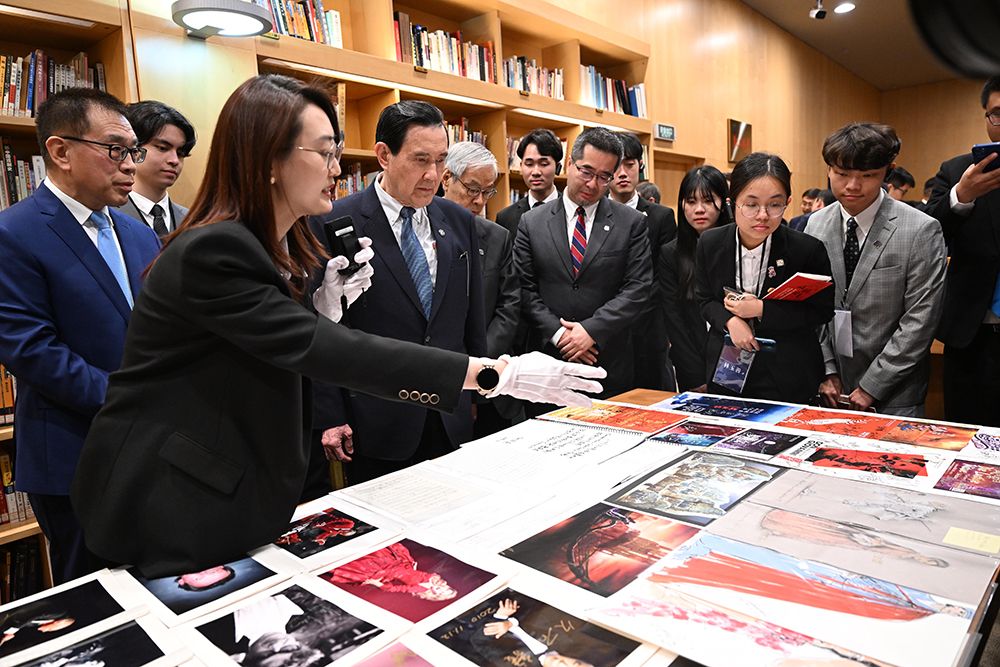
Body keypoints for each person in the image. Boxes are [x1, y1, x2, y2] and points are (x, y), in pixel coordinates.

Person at [69, 74, 604, 578]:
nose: (336, 167)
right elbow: (331, 351)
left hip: (232, 484)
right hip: (172, 494)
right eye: (324, 152)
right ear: (269, 159)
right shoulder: (215, 249)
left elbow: (276, 344)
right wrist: (496, 374)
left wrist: (320, 310)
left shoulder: (271, 244)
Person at [0, 88, 161, 584]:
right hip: (75, 457)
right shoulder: (14, 233)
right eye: (115, 149)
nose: (130, 165)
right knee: (99, 601)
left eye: (134, 151)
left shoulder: (139, 234)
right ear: (60, 151)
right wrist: (131, 401)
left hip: (156, 449)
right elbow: (31, 349)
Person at [309, 102, 488, 485]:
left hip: (449, 410)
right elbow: (319, 326)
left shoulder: (458, 221)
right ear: (383, 155)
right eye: (420, 160)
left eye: (440, 160)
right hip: (375, 419)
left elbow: (471, 316)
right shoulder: (333, 221)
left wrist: (474, 393)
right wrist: (329, 414)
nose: (433, 175)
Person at [807, 122, 946, 416]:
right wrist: (826, 368)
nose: (852, 186)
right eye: (842, 174)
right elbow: (810, 306)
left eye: (867, 176)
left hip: (896, 394)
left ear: (888, 172)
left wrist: (872, 386)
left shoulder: (920, 229)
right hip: (830, 388)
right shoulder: (816, 224)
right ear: (829, 170)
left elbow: (921, 320)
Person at [514, 127, 652, 407]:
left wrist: (590, 332)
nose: (592, 184)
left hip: (608, 361)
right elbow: (524, 288)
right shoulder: (532, 222)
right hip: (548, 363)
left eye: (604, 177)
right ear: (569, 164)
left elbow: (638, 288)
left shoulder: (631, 222)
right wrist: (561, 336)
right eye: (586, 172)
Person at [695, 152, 833, 403]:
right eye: (751, 205)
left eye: (774, 204)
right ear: (732, 203)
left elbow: (821, 311)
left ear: (787, 202)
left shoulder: (807, 249)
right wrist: (730, 321)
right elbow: (704, 299)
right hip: (729, 366)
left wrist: (761, 309)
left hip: (788, 370)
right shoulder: (710, 242)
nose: (762, 215)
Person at [926, 76, 1000, 427]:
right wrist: (962, 196)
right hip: (972, 334)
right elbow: (929, 236)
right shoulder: (957, 171)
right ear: (986, 117)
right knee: (967, 430)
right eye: (997, 114)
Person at [442, 141, 520, 436]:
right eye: (472, 189)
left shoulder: (498, 237)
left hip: (491, 380)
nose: (479, 201)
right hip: (441, 378)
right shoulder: (423, 234)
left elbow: (509, 307)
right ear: (446, 178)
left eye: (488, 192)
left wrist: (478, 366)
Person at [611, 132, 677, 390]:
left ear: (640, 165)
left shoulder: (661, 216)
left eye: (630, 164)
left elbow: (664, 277)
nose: (622, 173)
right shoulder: (595, 215)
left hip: (649, 328)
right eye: (616, 166)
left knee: (653, 394)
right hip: (607, 330)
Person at [660, 165, 730, 391]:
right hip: (692, 366)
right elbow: (674, 320)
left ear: (724, 203)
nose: (699, 209)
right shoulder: (670, 253)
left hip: (736, 362)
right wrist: (696, 376)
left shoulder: (737, 246)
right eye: (691, 201)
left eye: (708, 201)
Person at [115, 100, 196, 235]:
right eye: (162, 148)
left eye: (180, 153)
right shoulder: (107, 215)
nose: (174, 160)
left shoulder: (193, 221)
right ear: (134, 149)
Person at [324, 542, 457, 601]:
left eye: (442, 592)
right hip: (399, 563)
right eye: (446, 588)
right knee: (377, 550)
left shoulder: (420, 589)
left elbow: (394, 589)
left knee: (360, 562)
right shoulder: (434, 579)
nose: (441, 589)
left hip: (388, 570)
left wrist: (376, 583)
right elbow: (418, 574)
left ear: (436, 595)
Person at [496, 128, 563, 237]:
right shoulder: (505, 217)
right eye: (529, 164)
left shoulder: (571, 210)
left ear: (558, 166)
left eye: (544, 164)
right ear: (521, 166)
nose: (536, 172)